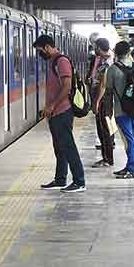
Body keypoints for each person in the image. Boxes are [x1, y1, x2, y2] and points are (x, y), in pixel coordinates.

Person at [33, 34, 86, 193]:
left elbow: (67, 86)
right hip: (55, 112)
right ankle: (60, 179)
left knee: (68, 146)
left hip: (62, 111)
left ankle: (79, 181)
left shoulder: (61, 61)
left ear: (48, 47)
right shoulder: (52, 61)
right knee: (59, 148)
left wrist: (53, 106)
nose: (40, 54)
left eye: (40, 50)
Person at [102, 40, 134, 179]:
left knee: (129, 139)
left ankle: (132, 168)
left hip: (121, 110)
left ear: (115, 52)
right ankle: (132, 165)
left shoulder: (112, 69)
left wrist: (108, 110)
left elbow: (108, 93)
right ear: (129, 52)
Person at [90, 38, 115, 168]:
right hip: (105, 98)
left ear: (99, 48)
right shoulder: (106, 59)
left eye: (95, 47)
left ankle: (107, 159)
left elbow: (103, 84)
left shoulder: (108, 62)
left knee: (104, 129)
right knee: (103, 128)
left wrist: (97, 102)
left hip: (104, 98)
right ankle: (106, 157)